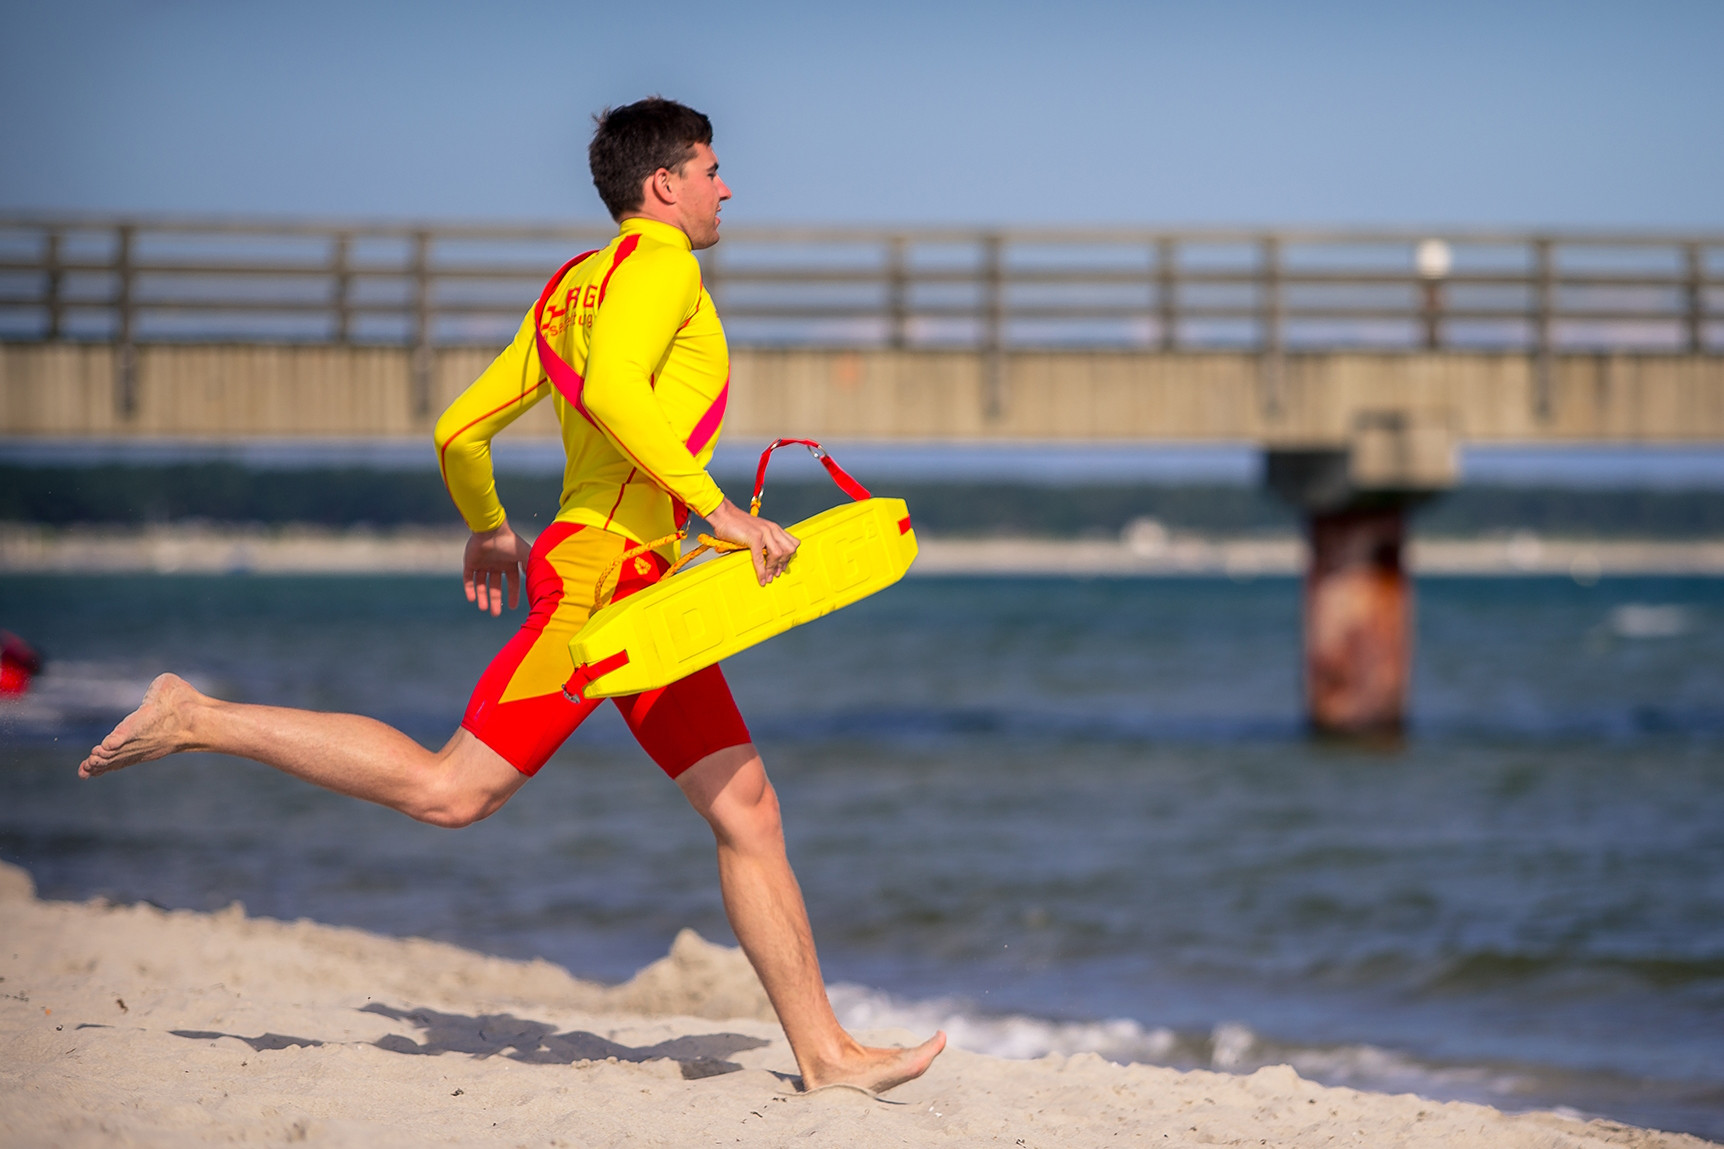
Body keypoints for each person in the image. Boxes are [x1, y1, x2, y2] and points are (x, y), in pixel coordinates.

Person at [78, 97, 945, 1095]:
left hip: (636, 587)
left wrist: (490, 526)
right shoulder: (663, 268)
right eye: (711, 169)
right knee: (451, 791)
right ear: (663, 184)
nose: (725, 187)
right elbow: (618, 392)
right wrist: (715, 510)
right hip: (604, 580)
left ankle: (826, 1057)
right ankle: (195, 716)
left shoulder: (569, 289)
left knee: (748, 810)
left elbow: (460, 429)